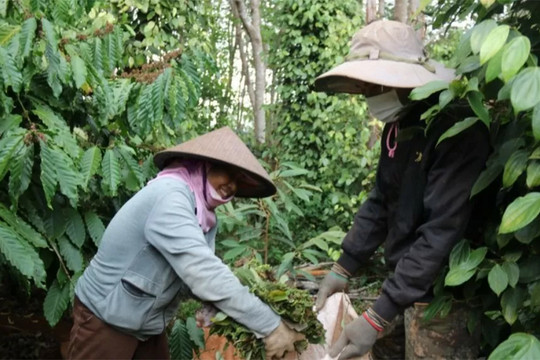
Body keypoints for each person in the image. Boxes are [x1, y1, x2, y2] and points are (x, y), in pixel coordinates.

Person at [313, 20, 490, 359]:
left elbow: (443, 230)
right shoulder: (400, 126)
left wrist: (378, 315)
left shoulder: (456, 126)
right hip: (403, 283)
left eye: (372, 86)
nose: (367, 95)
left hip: (444, 300)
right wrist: (344, 266)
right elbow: (381, 200)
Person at [67, 126, 304, 360]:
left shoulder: (204, 215)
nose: (231, 185)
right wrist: (269, 325)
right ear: (204, 165)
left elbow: (191, 275)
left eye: (238, 181)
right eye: (227, 173)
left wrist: (215, 306)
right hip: (105, 318)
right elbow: (202, 272)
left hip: (145, 324)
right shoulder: (171, 196)